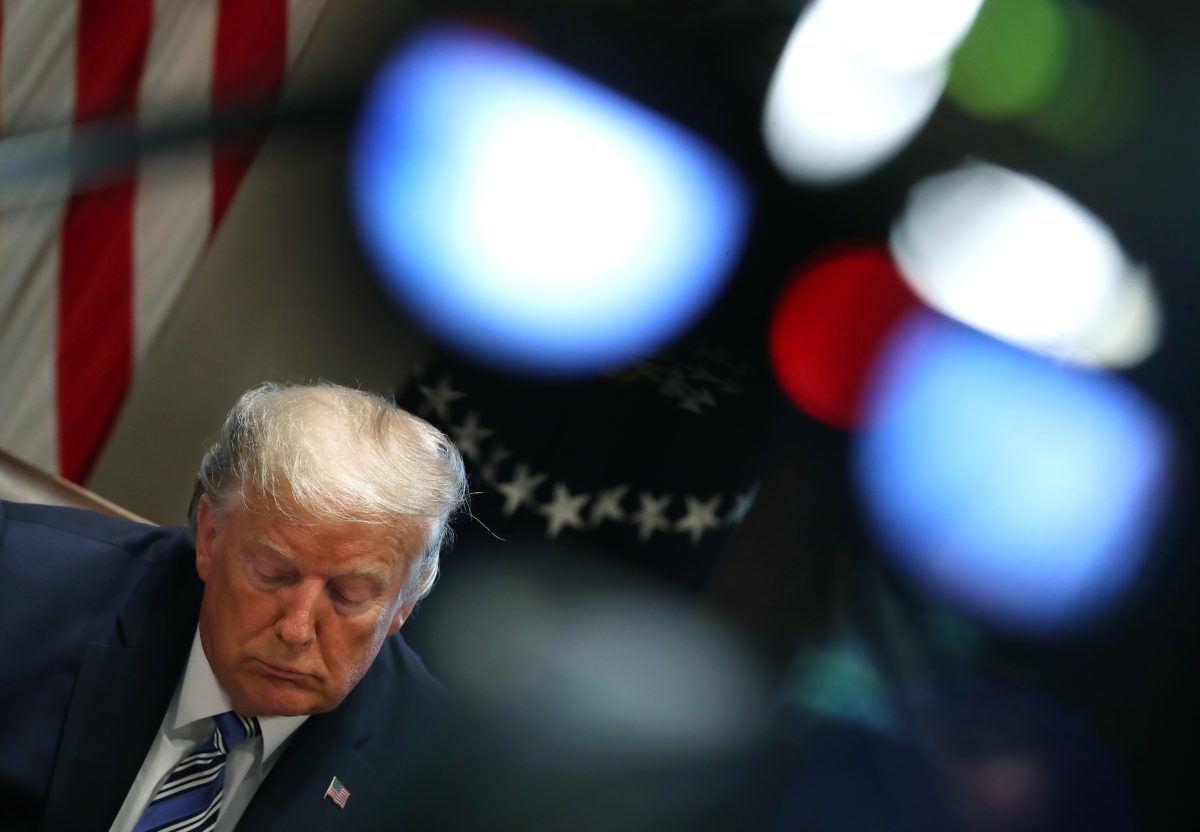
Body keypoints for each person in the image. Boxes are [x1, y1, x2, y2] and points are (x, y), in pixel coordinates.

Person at [0, 382, 467, 831]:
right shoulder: (19, 588)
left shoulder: (444, 779)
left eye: (350, 594)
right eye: (271, 572)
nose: (297, 629)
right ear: (209, 536)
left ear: (406, 600)